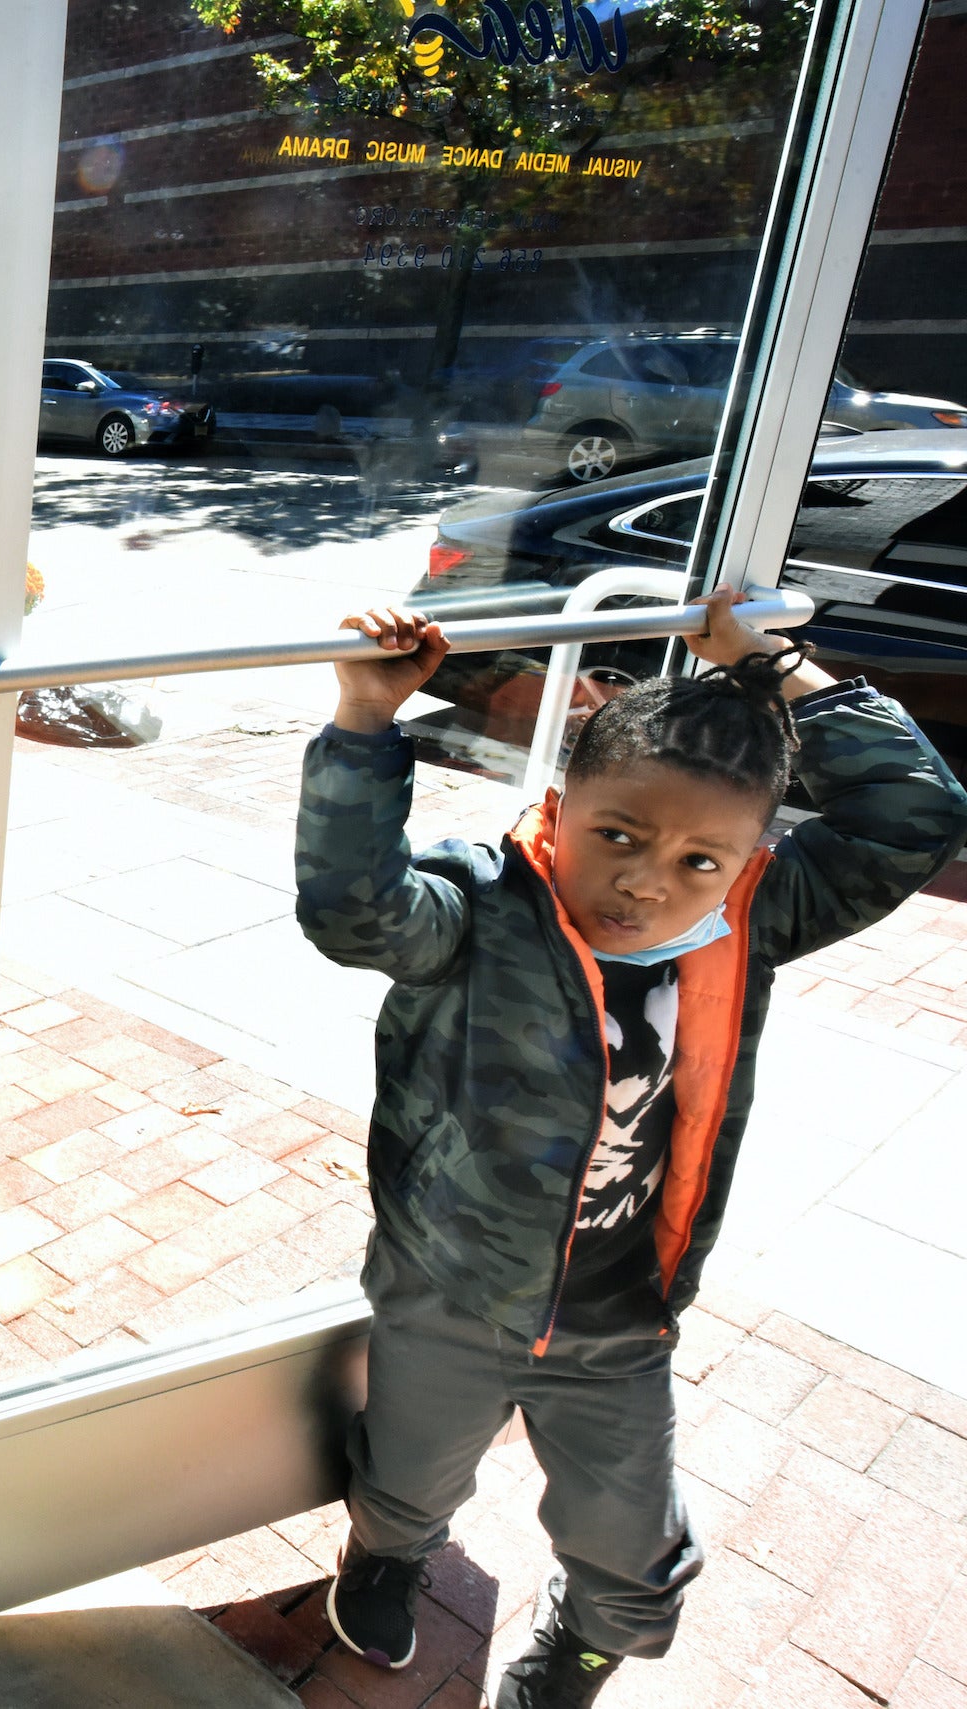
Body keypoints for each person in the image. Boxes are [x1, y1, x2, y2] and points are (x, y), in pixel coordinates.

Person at [296, 592, 967, 1709]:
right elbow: (354, 913)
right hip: (452, 1285)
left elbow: (918, 811)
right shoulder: (484, 903)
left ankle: (591, 1640)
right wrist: (365, 723)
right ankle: (390, 1551)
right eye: (618, 834)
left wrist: (772, 662)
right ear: (560, 810)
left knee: (629, 1532)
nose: (651, 879)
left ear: (750, 859)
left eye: (702, 857)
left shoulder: (752, 917)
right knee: (409, 1470)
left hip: (618, 1311)